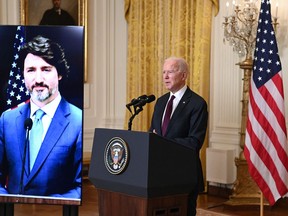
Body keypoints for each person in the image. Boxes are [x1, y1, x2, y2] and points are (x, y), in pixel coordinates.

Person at [0, 35, 82, 198]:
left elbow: (80, 187)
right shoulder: (6, 120)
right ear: (23, 75)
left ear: (59, 74)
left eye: (46, 69)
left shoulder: (78, 121)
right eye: (31, 70)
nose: (38, 79)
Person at [149, 57, 208, 216]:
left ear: (184, 75)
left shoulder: (197, 103)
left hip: (184, 174)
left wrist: (161, 142)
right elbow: (152, 135)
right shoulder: (161, 102)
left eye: (171, 71)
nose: (165, 76)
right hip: (158, 175)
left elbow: (194, 142)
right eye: (163, 72)